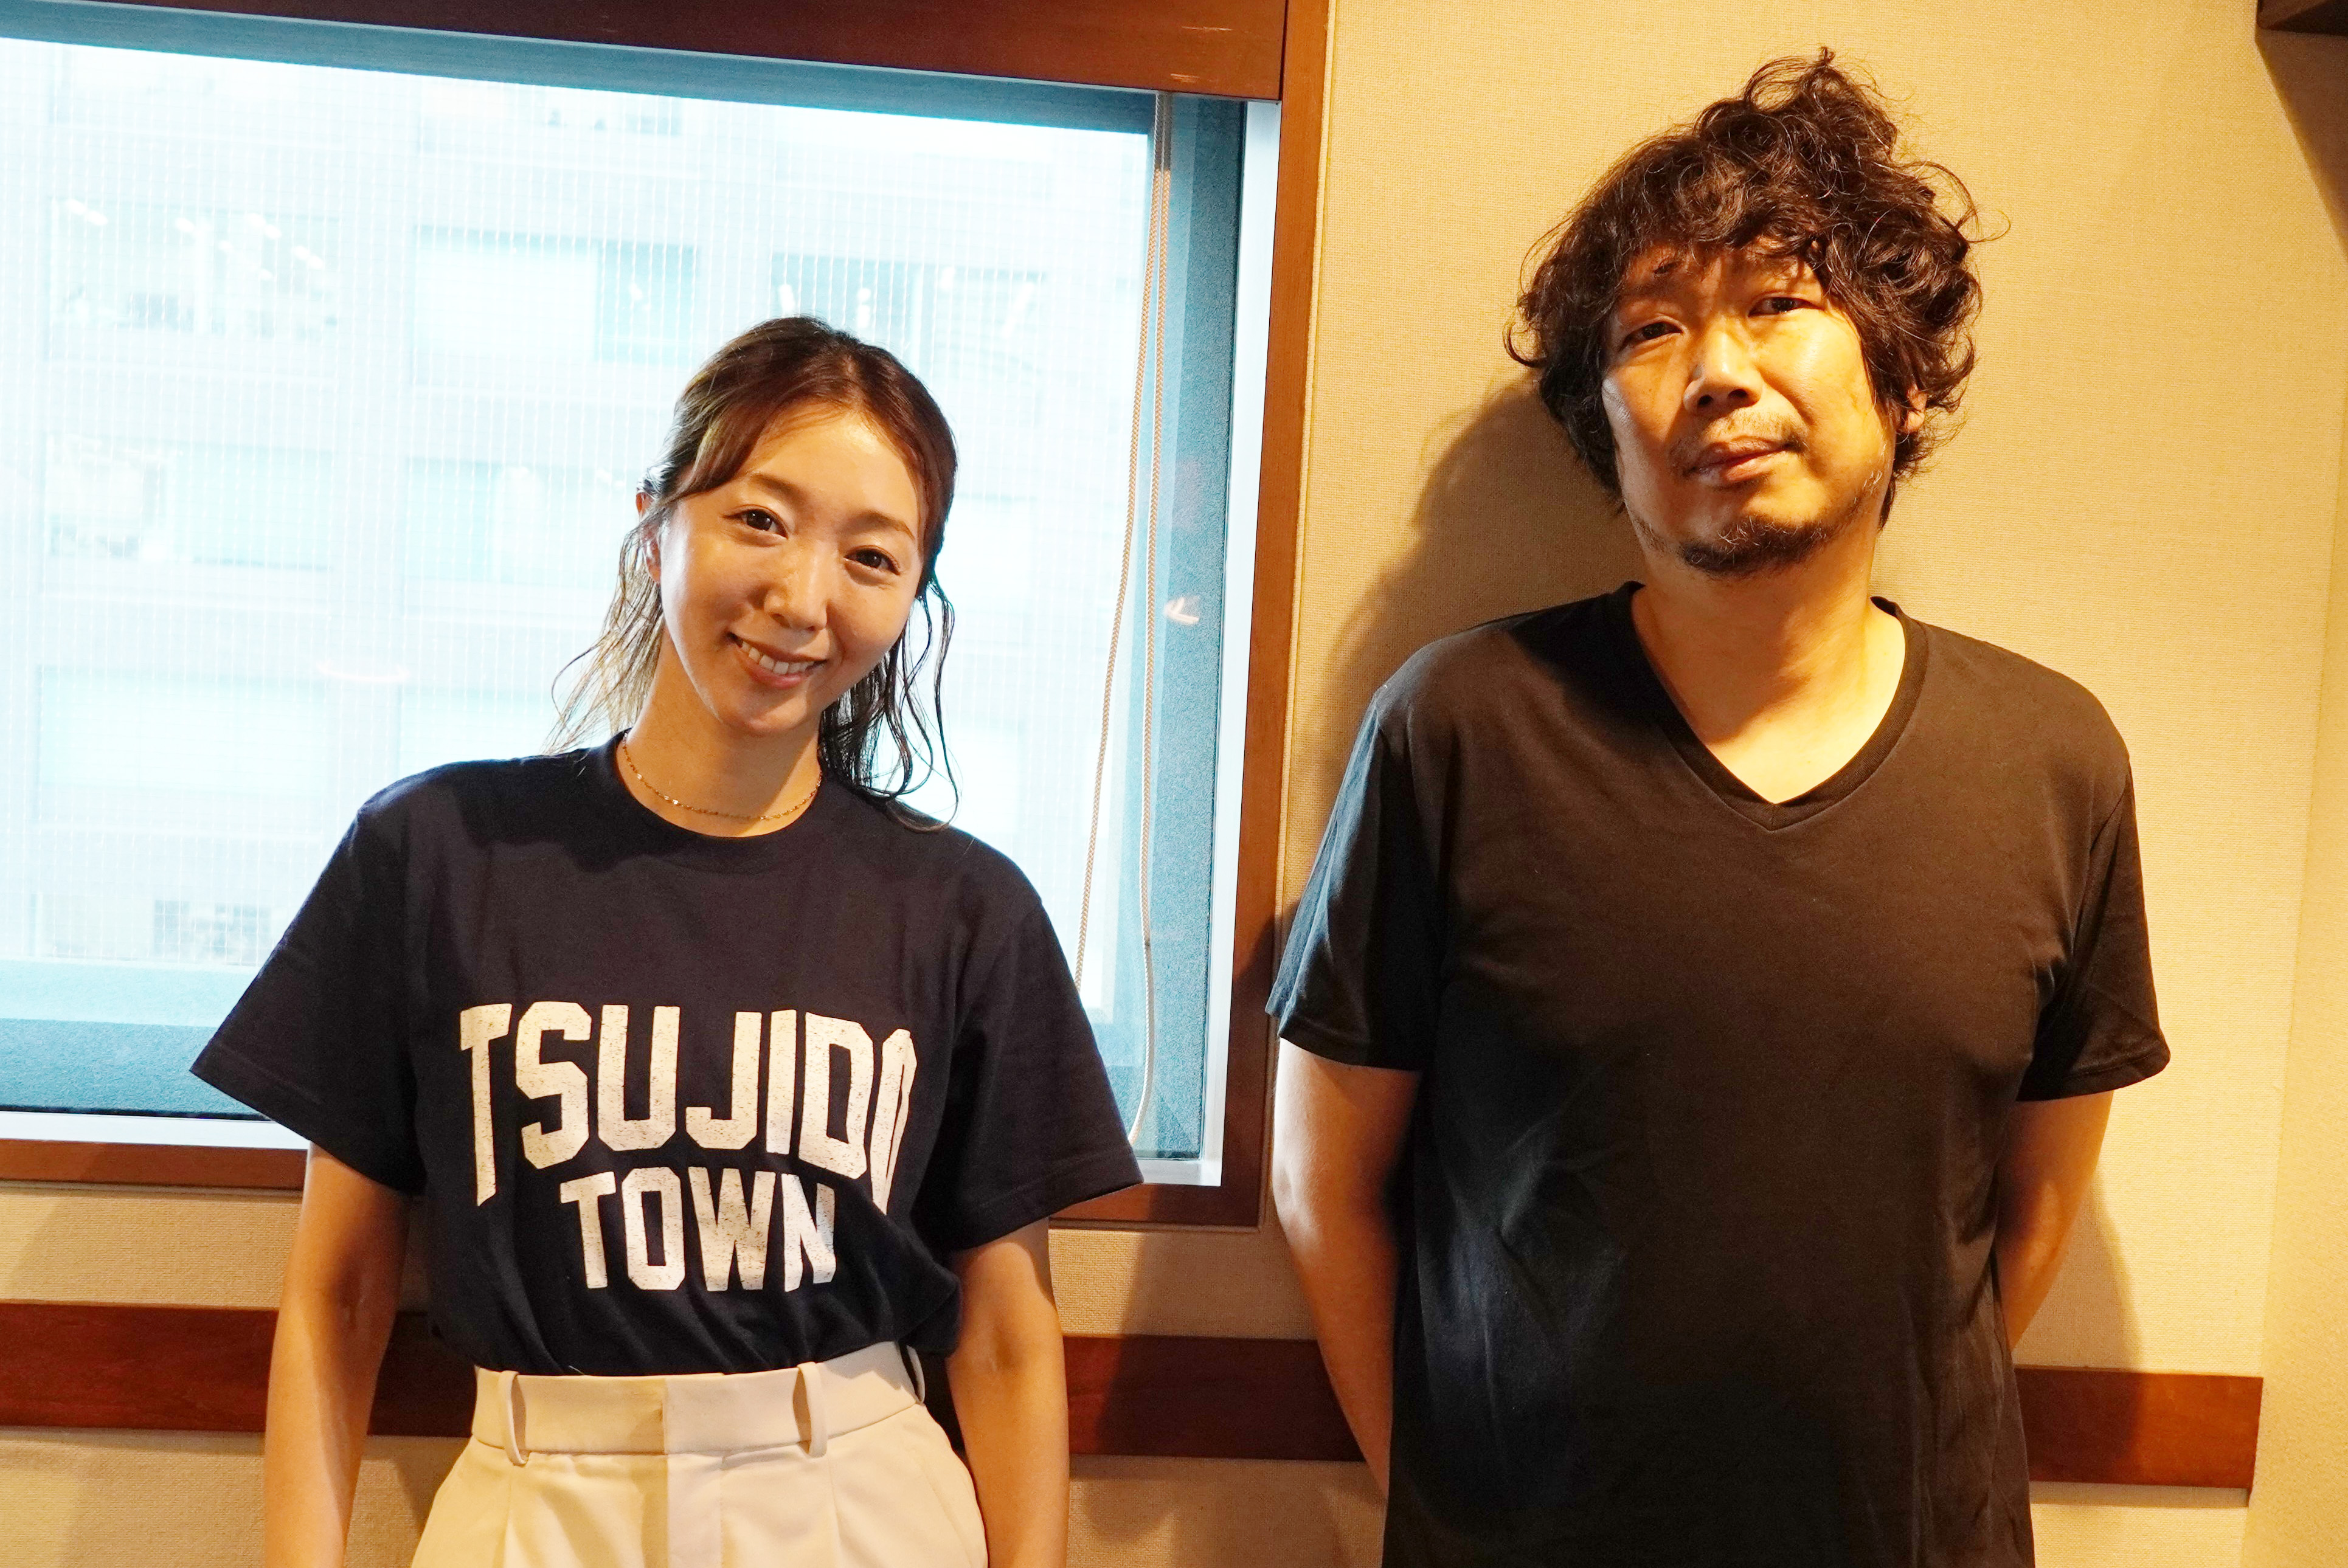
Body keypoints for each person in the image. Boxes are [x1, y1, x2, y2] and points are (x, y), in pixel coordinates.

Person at [1269, 52, 2167, 1568]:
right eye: (1651, 328)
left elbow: (2023, 1218)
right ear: (1601, 427)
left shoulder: (2053, 759)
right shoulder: (1459, 727)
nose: (1716, 371)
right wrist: (1450, 1509)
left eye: (1778, 301)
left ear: (1900, 379)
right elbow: (1321, 1180)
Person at [193, 317, 1140, 1568]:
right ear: (655, 530)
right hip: (531, 1499)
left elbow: (1009, 1338)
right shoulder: (436, 852)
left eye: (870, 556)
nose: (802, 598)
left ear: (912, 597)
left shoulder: (963, 907)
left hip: (858, 1502)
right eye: (760, 520)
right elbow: (341, 1295)